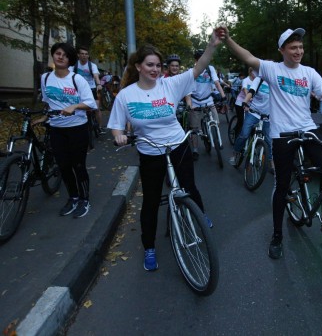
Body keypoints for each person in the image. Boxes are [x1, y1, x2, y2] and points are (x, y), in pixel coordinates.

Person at [218, 26, 322, 259]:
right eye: (293, 47)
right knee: (282, 185)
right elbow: (246, 56)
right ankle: (277, 235)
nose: (298, 51)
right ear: (282, 50)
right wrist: (228, 40)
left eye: (301, 47)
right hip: (282, 135)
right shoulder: (272, 69)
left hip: (307, 129)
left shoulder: (309, 73)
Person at [107, 30, 223, 271]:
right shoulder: (126, 96)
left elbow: (198, 68)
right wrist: (119, 136)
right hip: (150, 153)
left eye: (158, 65)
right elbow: (116, 127)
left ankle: (200, 215)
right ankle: (149, 247)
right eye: (150, 65)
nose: (155, 69)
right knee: (150, 201)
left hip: (177, 145)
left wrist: (212, 46)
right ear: (138, 66)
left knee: (189, 187)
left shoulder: (170, 84)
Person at [37, 42, 97, 218]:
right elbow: (48, 101)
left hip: (77, 129)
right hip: (56, 128)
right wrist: (45, 116)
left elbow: (91, 104)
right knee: (63, 166)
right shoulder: (46, 78)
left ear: (70, 59)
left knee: (78, 166)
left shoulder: (76, 79)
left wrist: (75, 106)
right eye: (57, 53)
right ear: (53, 56)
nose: (60, 56)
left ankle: (84, 199)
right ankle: (73, 197)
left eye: (64, 54)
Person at [185, 49, 227, 160]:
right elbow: (187, 90)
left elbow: (217, 83)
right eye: (200, 58)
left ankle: (214, 135)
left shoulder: (210, 69)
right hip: (195, 101)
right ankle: (195, 149)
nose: (203, 60)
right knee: (194, 129)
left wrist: (223, 96)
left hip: (208, 100)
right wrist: (189, 104)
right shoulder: (191, 71)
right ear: (196, 60)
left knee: (216, 122)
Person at [228, 74, 273, 172]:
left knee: (269, 140)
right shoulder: (259, 79)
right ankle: (236, 152)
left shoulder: (275, 81)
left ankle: (271, 161)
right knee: (244, 134)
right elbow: (251, 92)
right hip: (254, 112)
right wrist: (245, 102)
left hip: (267, 116)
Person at [69, 46, 106, 134]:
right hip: (78, 89)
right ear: (78, 55)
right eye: (82, 54)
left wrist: (99, 84)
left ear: (88, 56)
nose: (84, 56)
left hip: (91, 88)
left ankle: (100, 127)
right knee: (78, 108)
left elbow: (96, 76)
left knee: (96, 108)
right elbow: (69, 77)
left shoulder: (92, 65)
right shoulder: (74, 65)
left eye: (86, 54)